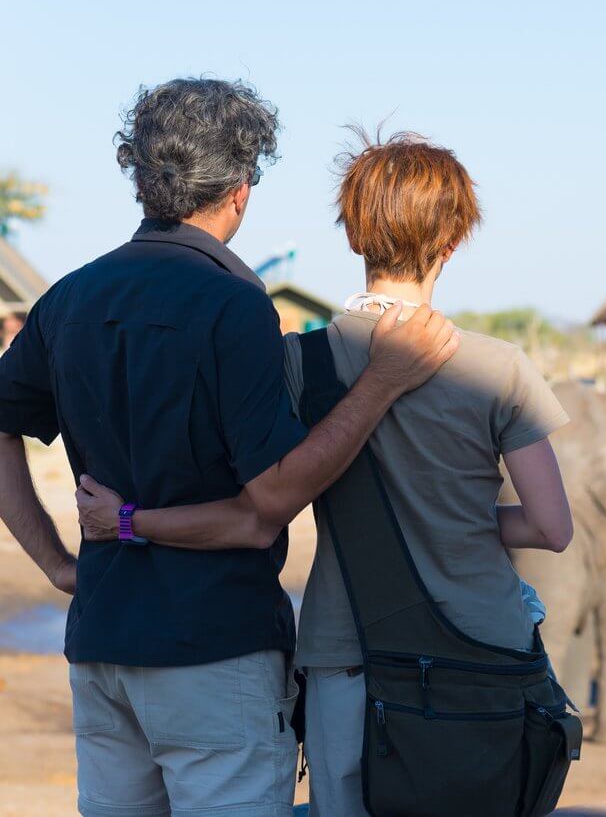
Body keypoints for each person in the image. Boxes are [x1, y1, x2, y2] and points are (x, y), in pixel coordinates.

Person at [77, 130, 574, 816]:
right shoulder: (499, 367)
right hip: (482, 652)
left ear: (352, 236)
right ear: (454, 241)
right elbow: (551, 527)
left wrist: (128, 518)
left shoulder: (296, 363)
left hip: (348, 651)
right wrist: (458, 520)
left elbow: (255, 489)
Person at [0, 80, 458, 817]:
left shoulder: (69, 297)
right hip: (214, 651)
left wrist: (60, 564)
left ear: (143, 180)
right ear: (241, 190)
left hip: (101, 648)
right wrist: (382, 382)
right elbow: (272, 499)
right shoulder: (234, 301)